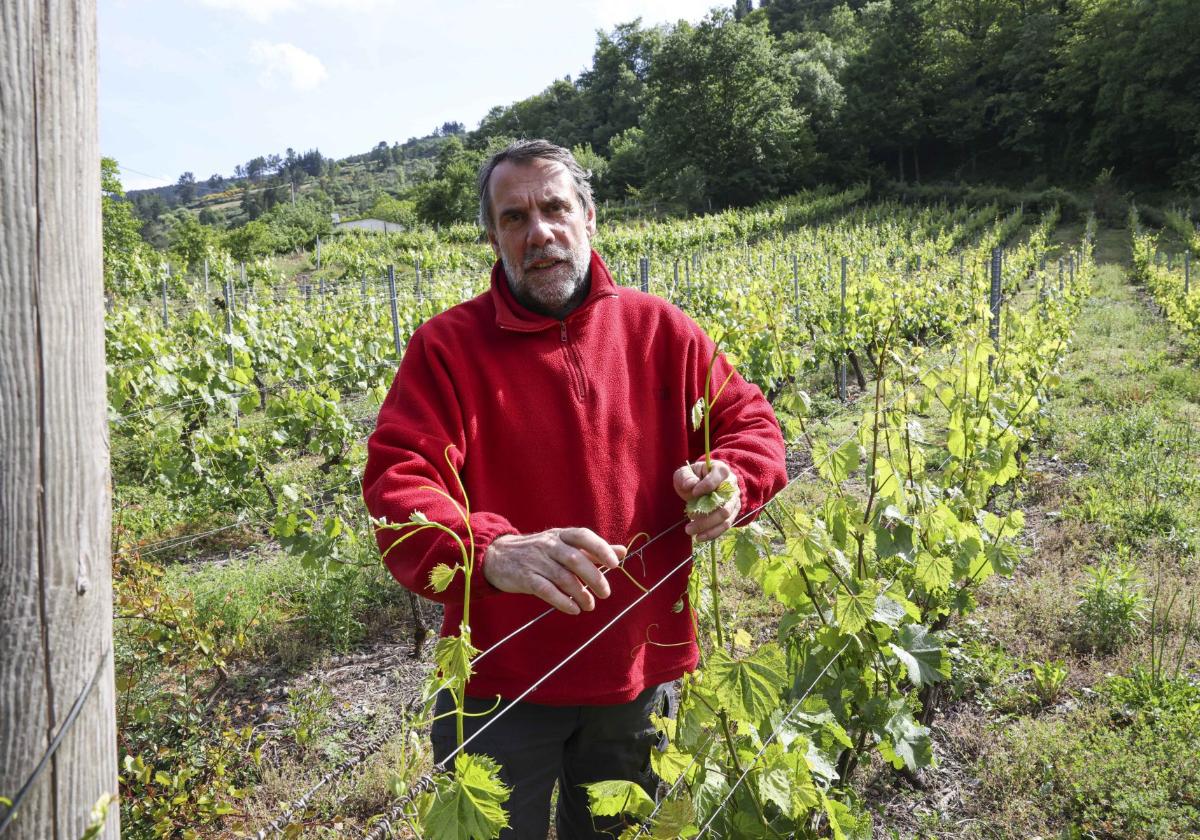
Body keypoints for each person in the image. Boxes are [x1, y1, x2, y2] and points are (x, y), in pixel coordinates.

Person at [363, 139, 787, 839]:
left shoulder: (662, 331)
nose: (539, 233)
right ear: (493, 236)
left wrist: (734, 479)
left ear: (589, 216)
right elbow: (397, 479)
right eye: (514, 218)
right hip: (500, 684)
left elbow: (750, 423)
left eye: (555, 207)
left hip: (641, 672)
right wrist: (489, 550)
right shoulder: (446, 348)